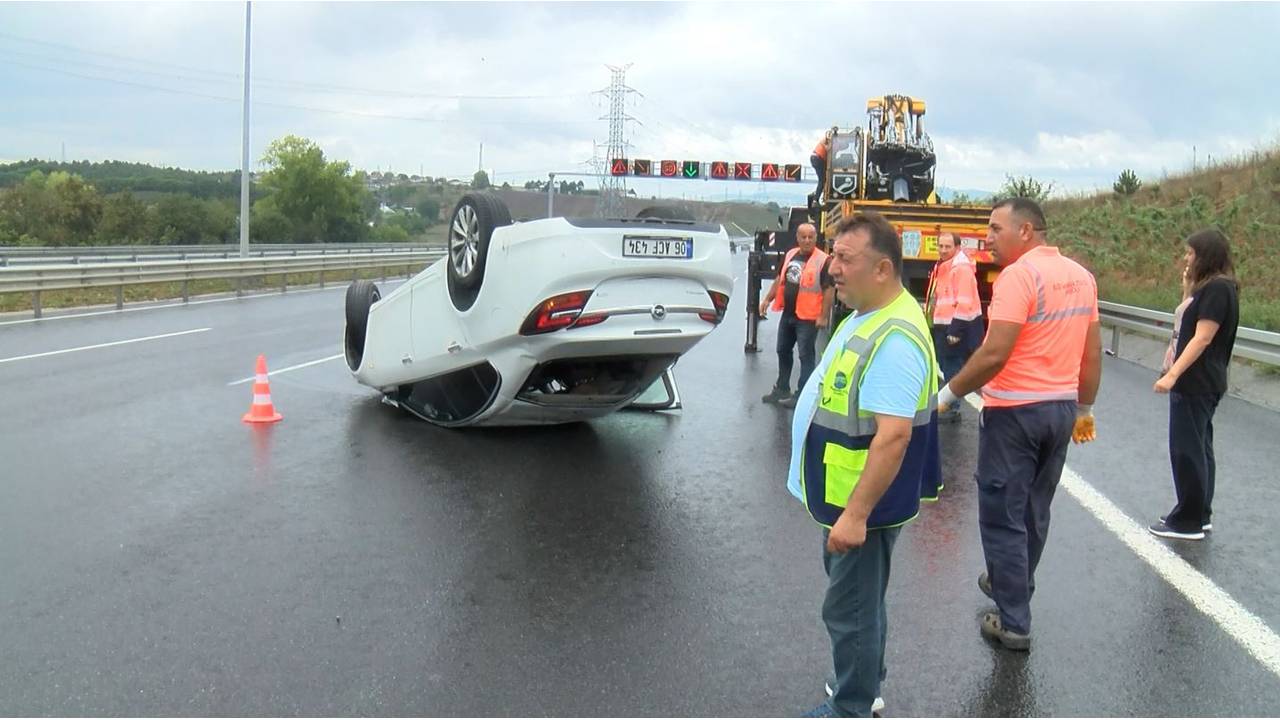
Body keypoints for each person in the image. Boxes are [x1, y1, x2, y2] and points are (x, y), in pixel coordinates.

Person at [786, 212, 942, 717]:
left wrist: (855, 515)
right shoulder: (870, 310)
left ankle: (852, 705)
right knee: (862, 602)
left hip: (861, 502)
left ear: (881, 269)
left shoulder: (894, 337)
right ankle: (863, 684)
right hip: (846, 491)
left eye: (845, 258)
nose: (832, 266)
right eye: (833, 254)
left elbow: (893, 437)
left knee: (850, 610)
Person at [936, 198, 1102, 651]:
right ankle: (1013, 582)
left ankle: (1014, 622)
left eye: (995, 228)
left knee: (1002, 515)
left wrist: (947, 394)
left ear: (1026, 231)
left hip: (1014, 414)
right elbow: (1090, 353)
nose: (987, 236)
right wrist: (1084, 410)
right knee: (1034, 509)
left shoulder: (1019, 276)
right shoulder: (1081, 277)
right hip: (1061, 410)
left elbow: (994, 352)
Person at [1149, 229, 1239, 541]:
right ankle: (1199, 514)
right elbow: (1186, 322)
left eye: (1191, 253)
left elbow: (1202, 337)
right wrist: (1188, 290)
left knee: (1186, 449)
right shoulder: (1214, 288)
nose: (1187, 259)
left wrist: (1172, 374)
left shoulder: (1217, 290)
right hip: (1205, 380)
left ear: (1206, 256)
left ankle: (1187, 521)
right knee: (1200, 447)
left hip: (1196, 381)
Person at [760, 223, 836, 408]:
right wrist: (767, 299)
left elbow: (829, 290)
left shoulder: (823, 260)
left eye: (811, 237)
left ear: (816, 238)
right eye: (804, 237)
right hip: (789, 313)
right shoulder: (790, 255)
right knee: (782, 350)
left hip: (808, 317)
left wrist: (823, 316)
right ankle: (782, 388)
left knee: (805, 356)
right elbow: (780, 279)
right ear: (798, 238)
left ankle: (803, 394)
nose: (807, 240)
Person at [924, 231, 984, 422]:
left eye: (947, 247)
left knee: (952, 368)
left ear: (957, 248)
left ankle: (951, 408)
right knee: (947, 365)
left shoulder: (961, 269)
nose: (943, 250)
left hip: (955, 327)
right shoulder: (945, 266)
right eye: (940, 246)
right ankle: (950, 405)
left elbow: (964, 301)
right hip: (945, 325)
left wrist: (955, 331)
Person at [809, 127, 837, 210]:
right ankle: (815, 199)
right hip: (818, 158)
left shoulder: (827, 141)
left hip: (817, 158)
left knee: (823, 179)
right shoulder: (826, 140)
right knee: (822, 180)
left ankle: (816, 195)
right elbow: (828, 149)